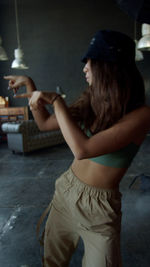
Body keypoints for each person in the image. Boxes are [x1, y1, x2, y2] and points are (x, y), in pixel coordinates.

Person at [4, 29, 150, 267]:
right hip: (66, 191)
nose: (84, 68)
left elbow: (83, 149)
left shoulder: (141, 115)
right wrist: (32, 88)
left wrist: (57, 100)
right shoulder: (91, 100)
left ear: (108, 67)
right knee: (52, 261)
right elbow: (44, 124)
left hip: (100, 210)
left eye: (90, 62)